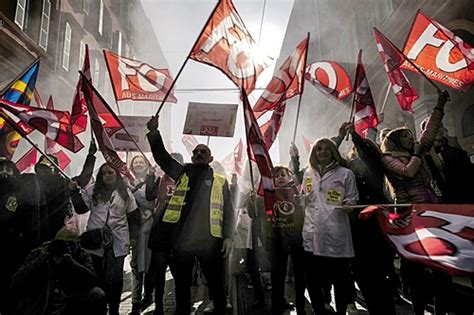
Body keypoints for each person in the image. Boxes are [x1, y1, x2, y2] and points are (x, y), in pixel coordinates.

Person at [146, 115, 234, 315]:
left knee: (216, 285)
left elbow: (228, 209)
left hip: (209, 241)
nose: (199, 153)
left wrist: (228, 236)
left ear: (210, 158)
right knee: (182, 286)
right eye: (196, 152)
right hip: (182, 240)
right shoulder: (183, 172)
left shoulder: (220, 180)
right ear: (192, 156)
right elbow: (162, 158)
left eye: (204, 151)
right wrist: (153, 133)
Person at [380, 90, 449, 315]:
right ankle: (418, 308)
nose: (413, 139)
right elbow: (407, 173)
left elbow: (428, 133)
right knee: (417, 270)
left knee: (441, 268)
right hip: (411, 218)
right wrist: (418, 155)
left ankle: (441, 309)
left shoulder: (417, 151)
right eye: (407, 137)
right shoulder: (389, 158)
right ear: (397, 141)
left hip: (432, 213)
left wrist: (439, 105)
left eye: (412, 136)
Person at [301, 138, 358, 315]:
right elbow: (306, 195)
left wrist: (349, 204)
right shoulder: (308, 173)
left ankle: (341, 311)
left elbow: (352, 197)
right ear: (314, 153)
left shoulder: (345, 174)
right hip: (312, 233)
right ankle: (319, 310)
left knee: (340, 280)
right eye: (319, 149)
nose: (322, 152)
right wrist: (301, 199)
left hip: (336, 234)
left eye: (326, 149)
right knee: (313, 281)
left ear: (333, 151)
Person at [78, 163, 139, 315]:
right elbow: (81, 208)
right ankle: (99, 308)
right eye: (104, 173)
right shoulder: (92, 191)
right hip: (95, 242)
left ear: (116, 174)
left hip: (118, 241)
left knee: (116, 279)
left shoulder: (125, 193)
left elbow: (134, 217)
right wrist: (73, 192)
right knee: (97, 276)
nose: (107, 176)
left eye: (110, 172)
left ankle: (114, 309)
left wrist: (133, 237)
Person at [10, 227, 106, 315]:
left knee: (97, 294)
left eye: (71, 244)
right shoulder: (41, 253)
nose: (66, 247)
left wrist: (72, 264)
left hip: (70, 304)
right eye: (62, 243)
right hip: (41, 305)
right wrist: (40, 259)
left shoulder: (82, 255)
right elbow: (16, 281)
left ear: (78, 245)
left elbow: (93, 280)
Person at [147, 152, 183, 315]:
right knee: (159, 271)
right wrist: (150, 177)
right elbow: (150, 195)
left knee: (179, 273)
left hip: (179, 232)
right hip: (161, 230)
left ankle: (181, 305)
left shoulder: (186, 180)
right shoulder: (159, 179)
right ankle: (159, 306)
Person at [270, 166, 306, 315]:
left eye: (283, 175)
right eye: (276, 176)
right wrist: (254, 201)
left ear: (289, 177)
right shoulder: (268, 195)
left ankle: (301, 304)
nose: (280, 178)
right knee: (278, 275)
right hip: (278, 240)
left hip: (297, 238)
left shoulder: (297, 191)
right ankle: (277, 304)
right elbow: (254, 214)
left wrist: (302, 202)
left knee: (300, 274)